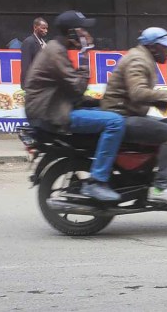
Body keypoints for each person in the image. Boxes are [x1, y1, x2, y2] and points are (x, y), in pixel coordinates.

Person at [24, 11, 125, 201]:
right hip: (52, 114)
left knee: (108, 112)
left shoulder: (57, 49)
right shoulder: (55, 53)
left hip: (56, 107)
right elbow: (77, 88)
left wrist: (101, 102)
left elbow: (70, 90)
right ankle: (97, 180)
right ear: (71, 33)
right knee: (115, 122)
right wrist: (86, 54)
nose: (86, 34)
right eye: (82, 30)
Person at [101, 27, 167, 205]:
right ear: (153, 47)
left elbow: (142, 94)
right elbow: (138, 93)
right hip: (122, 117)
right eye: (165, 46)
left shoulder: (143, 57)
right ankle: (160, 187)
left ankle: (156, 176)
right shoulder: (138, 60)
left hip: (128, 114)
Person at [21, 17, 49, 89]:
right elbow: (26, 65)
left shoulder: (43, 43)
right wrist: (26, 85)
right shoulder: (29, 42)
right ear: (35, 27)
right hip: (33, 85)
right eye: (43, 28)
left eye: (46, 28)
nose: (46, 31)